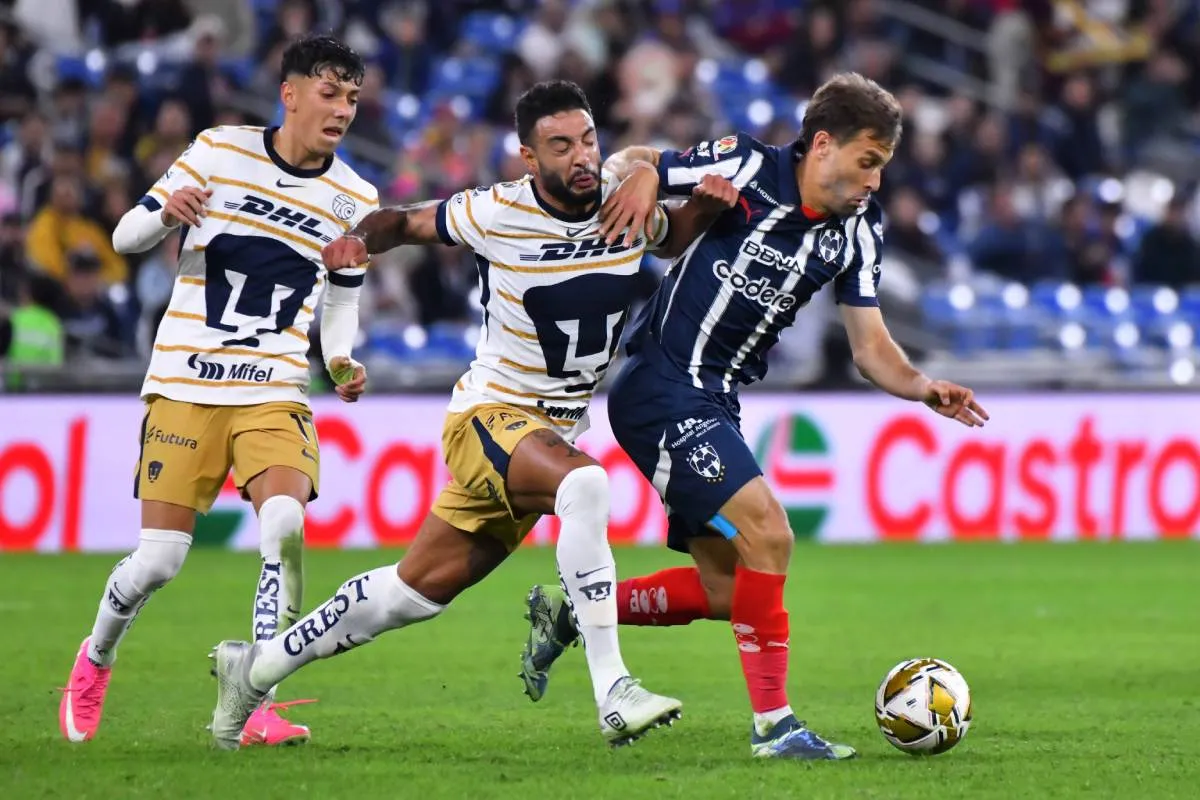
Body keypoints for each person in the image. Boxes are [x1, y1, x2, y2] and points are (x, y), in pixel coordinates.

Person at [207, 80, 739, 750]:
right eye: (560, 145)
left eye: (587, 140)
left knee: (409, 595)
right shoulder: (495, 211)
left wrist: (702, 208)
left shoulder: (620, 200)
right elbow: (402, 220)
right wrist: (355, 242)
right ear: (526, 157)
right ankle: (614, 690)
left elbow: (664, 237)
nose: (580, 156)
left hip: (547, 433)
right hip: (490, 416)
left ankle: (252, 669)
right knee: (586, 485)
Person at [519, 72, 990, 761]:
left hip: (716, 401)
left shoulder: (858, 228)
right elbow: (632, 160)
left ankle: (574, 611)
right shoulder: (747, 164)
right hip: (661, 384)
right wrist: (644, 176)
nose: (874, 182)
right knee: (770, 534)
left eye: (882, 168)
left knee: (725, 590)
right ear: (822, 145)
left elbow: (869, 346)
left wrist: (921, 386)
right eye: (868, 162)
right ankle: (775, 727)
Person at [58, 34, 377, 748]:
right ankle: (96, 657)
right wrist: (168, 211)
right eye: (329, 93)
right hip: (185, 382)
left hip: (274, 387)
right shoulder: (217, 150)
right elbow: (125, 236)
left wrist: (343, 359)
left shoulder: (356, 195)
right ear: (289, 93)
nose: (342, 110)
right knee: (160, 561)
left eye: (352, 98)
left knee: (285, 527)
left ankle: (255, 693)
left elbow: (341, 297)